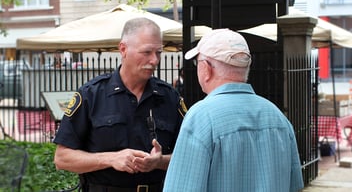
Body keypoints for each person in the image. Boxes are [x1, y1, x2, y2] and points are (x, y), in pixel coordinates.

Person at [53, 17, 186, 192]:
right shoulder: (91, 95)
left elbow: (189, 159)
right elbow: (62, 158)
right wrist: (110, 159)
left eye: (159, 52)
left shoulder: (170, 97)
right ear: (123, 49)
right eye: (146, 52)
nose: (154, 60)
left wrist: (160, 162)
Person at [163, 28, 304, 192]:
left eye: (197, 62)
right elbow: (295, 186)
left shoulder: (201, 117)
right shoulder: (278, 117)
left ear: (205, 68)